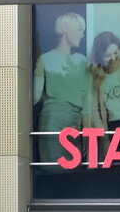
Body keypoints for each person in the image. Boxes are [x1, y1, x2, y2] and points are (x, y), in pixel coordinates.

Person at [33, 11, 89, 163]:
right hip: (53, 120)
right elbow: (34, 96)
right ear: (65, 29)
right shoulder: (45, 59)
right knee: (55, 166)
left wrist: (88, 132)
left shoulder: (81, 61)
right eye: (79, 30)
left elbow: (87, 98)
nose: (82, 35)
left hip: (75, 121)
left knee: (72, 169)